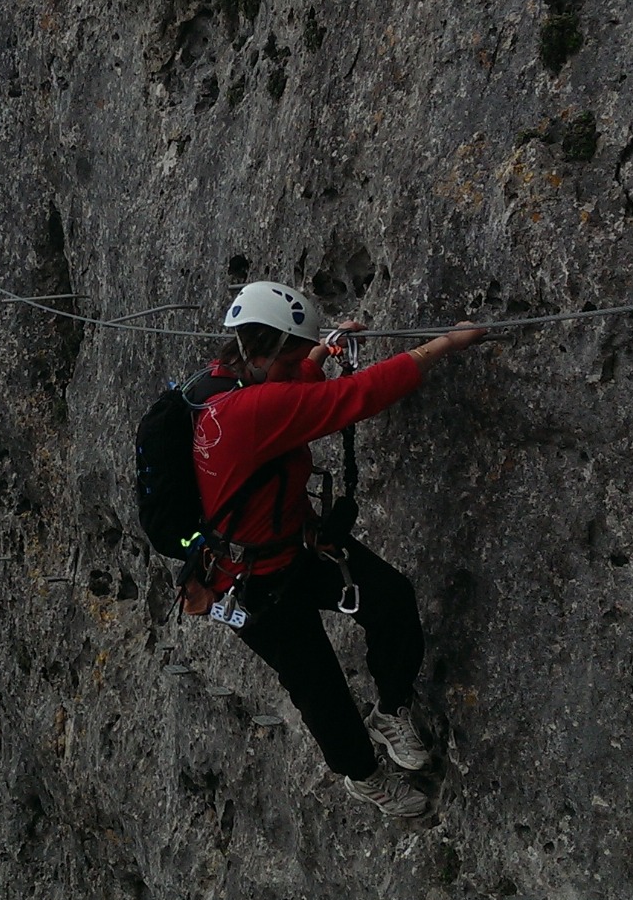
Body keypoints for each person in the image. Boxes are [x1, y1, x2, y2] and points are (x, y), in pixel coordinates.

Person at [191, 280, 485, 817]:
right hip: (255, 582)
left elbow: (286, 391)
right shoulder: (249, 409)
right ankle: (365, 775)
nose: (297, 365)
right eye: (294, 357)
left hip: (295, 549)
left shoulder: (224, 384)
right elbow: (355, 397)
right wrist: (444, 344)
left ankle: (390, 709)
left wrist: (321, 352)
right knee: (319, 689)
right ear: (268, 352)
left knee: (390, 597)